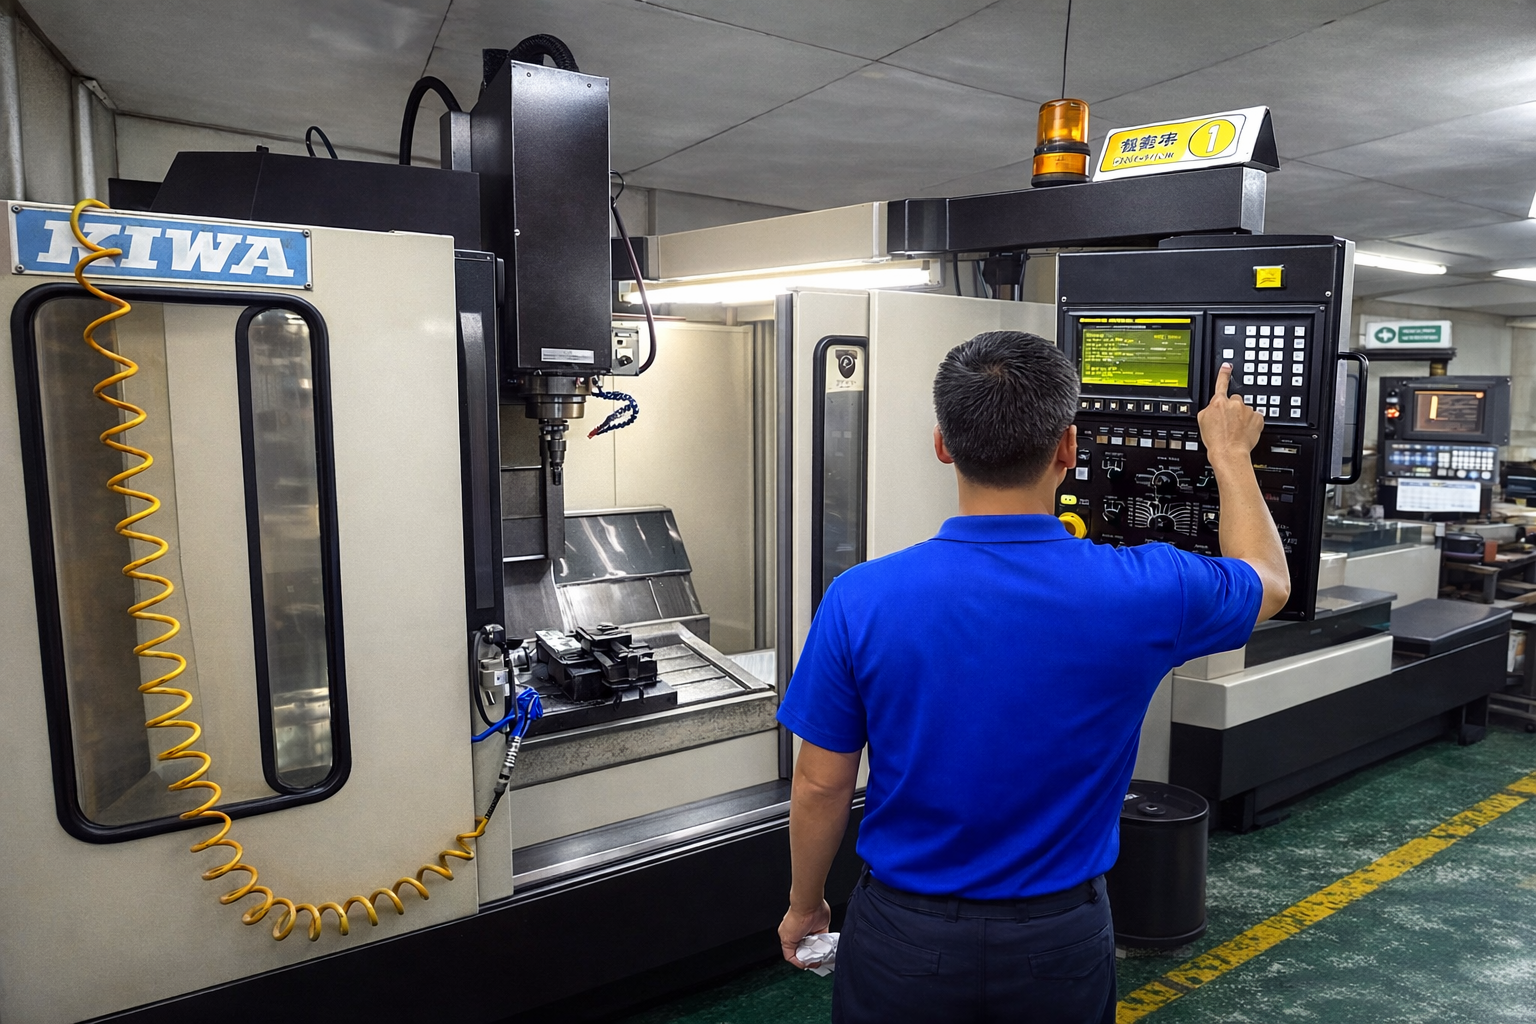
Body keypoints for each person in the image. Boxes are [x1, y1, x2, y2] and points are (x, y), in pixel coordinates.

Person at [775, 331, 1289, 1024]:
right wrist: (1230, 455)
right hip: (1059, 938)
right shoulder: (1147, 589)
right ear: (1067, 450)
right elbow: (1271, 583)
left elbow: (820, 783)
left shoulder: (862, 596)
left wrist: (806, 904)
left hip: (904, 934)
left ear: (943, 445)